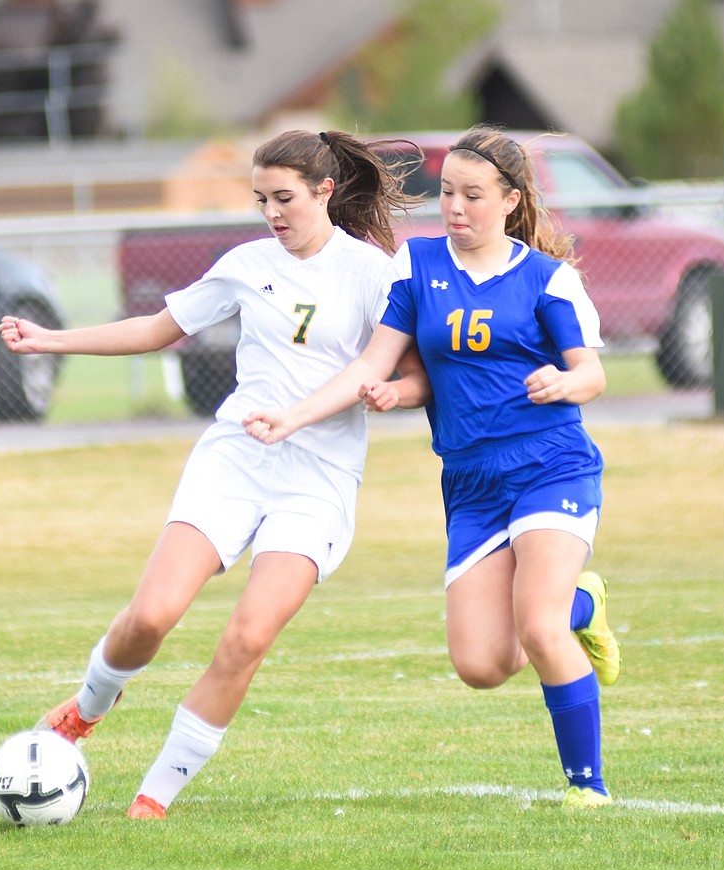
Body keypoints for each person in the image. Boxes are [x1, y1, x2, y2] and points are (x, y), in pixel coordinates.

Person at [0, 129, 425, 820]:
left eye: (284, 198)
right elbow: (158, 328)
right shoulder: (246, 263)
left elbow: (410, 376)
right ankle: (87, 707)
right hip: (235, 459)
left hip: (318, 478)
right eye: (261, 200)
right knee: (152, 616)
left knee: (248, 636)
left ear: (324, 191)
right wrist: (52, 339)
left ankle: (152, 799)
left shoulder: (377, 274)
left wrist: (391, 396)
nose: (272, 214)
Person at [243, 124, 621, 810]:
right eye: (446, 191)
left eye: (472, 195)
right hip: (470, 482)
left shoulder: (547, 279)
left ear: (510, 201)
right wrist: (314, 410)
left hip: (549, 465)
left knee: (536, 627)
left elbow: (589, 373)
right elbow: (374, 363)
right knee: (480, 666)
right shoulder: (415, 267)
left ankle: (587, 787)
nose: (455, 207)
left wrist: (564, 385)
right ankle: (581, 603)